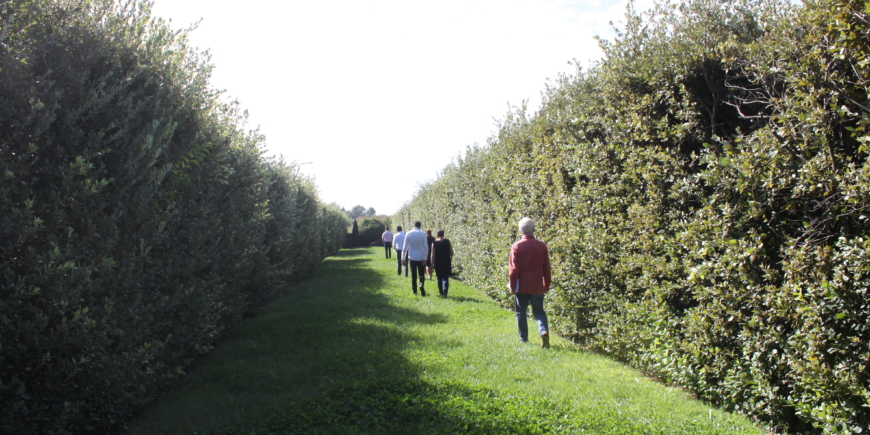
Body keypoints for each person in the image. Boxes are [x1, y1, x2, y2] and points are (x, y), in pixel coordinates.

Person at [508, 217, 552, 348]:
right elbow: (546, 267)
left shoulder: (517, 246)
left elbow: (514, 269)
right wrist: (547, 284)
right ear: (533, 229)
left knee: (521, 312)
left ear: (520, 231)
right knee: (539, 311)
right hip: (537, 285)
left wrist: (512, 285)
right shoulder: (541, 246)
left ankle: (524, 339)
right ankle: (543, 331)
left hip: (521, 286)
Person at [402, 221, 429, 296]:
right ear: (420, 226)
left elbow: (405, 247)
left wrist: (403, 258)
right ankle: (421, 286)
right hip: (421, 257)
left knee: (414, 276)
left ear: (413, 226)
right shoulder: (423, 234)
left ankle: (415, 291)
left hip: (412, 257)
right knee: (421, 275)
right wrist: (425, 257)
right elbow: (426, 246)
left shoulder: (408, 233)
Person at [430, 229, 453, 297]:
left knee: (439, 278)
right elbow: (451, 252)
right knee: (445, 278)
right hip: (446, 261)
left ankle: (441, 292)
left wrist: (432, 263)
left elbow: (432, 254)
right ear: (443, 235)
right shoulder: (447, 241)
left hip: (438, 262)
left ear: (437, 235)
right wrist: (450, 258)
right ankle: (445, 291)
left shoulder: (434, 243)